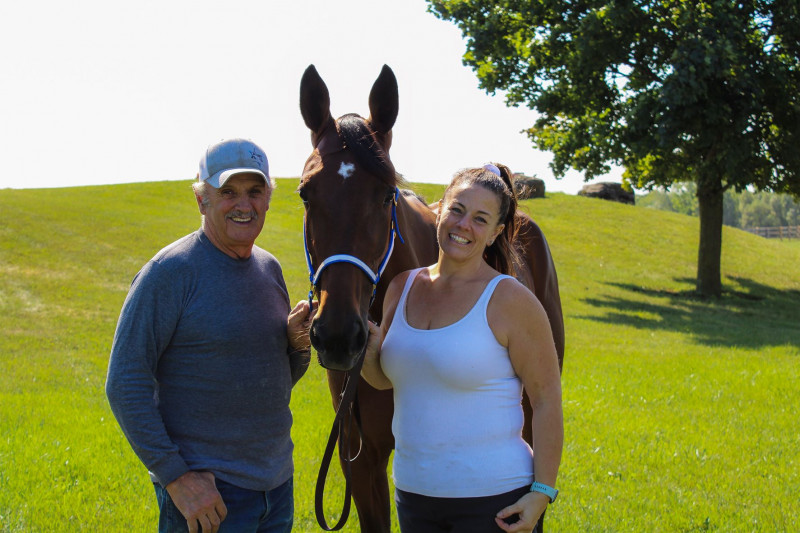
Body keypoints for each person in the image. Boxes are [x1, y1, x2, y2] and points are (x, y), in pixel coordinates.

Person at [106, 138, 315, 533]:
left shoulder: (268, 269)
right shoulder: (169, 273)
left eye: (255, 192)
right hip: (208, 500)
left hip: (276, 491)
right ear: (202, 200)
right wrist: (177, 479)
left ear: (268, 200)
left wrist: (295, 342)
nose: (244, 204)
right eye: (228, 192)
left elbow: (275, 383)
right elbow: (124, 383)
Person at [361, 163, 563, 533]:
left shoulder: (509, 300)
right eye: (457, 209)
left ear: (495, 233)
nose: (463, 225)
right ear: (440, 210)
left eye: (480, 219)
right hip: (414, 496)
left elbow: (547, 398)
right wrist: (368, 351)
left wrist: (542, 492)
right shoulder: (401, 288)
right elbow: (387, 380)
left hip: (494, 502)